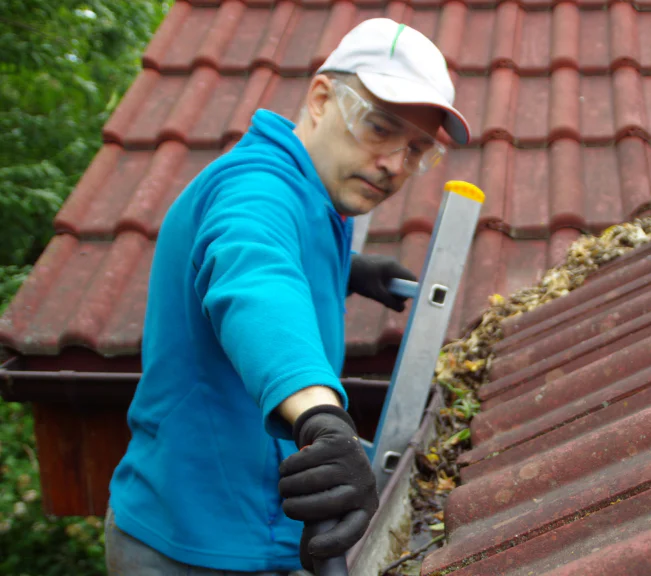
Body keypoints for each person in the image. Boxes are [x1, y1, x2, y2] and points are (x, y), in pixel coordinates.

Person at [103, 18, 471, 575]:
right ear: (322, 99)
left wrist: (348, 269)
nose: (394, 165)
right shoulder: (256, 188)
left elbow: (281, 256)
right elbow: (256, 283)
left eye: (416, 149)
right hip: (191, 545)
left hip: (259, 524)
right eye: (378, 128)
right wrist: (321, 419)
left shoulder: (317, 196)